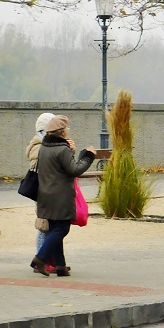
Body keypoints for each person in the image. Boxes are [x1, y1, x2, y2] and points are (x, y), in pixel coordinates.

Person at [31, 115, 96, 277]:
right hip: (60, 197)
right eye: (66, 129)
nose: (68, 130)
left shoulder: (45, 147)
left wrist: (73, 152)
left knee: (55, 228)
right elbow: (74, 170)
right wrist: (88, 156)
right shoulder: (62, 149)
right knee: (62, 228)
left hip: (45, 195)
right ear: (61, 132)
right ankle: (40, 259)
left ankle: (60, 266)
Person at [25, 112, 56, 272]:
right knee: (43, 224)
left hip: (46, 188)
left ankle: (48, 259)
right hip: (43, 189)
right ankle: (40, 260)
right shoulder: (39, 146)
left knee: (49, 224)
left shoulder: (42, 144)